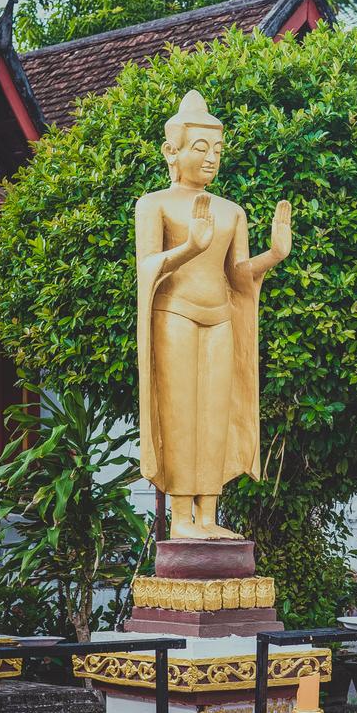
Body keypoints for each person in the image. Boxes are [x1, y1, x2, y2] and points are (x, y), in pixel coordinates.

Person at [135, 90, 292, 540]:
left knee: (215, 414)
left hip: (221, 318)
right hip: (175, 315)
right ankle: (181, 518)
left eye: (217, 150)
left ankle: (208, 515)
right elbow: (147, 266)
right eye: (199, 148)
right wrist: (189, 248)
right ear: (172, 151)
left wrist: (273, 256)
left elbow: (239, 277)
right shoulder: (155, 204)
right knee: (182, 412)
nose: (209, 159)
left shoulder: (231, 211)